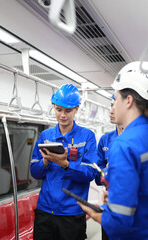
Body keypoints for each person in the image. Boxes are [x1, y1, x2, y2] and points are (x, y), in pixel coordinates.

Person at [78, 62, 148, 240]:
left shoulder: (124, 145)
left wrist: (93, 213)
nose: (113, 105)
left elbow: (118, 223)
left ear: (128, 100)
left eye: (116, 99)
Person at [30, 84, 98, 240]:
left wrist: (65, 164)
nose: (62, 115)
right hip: (45, 211)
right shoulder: (45, 136)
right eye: (58, 109)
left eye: (68, 111)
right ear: (54, 107)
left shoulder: (87, 136)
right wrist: (46, 161)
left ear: (77, 109)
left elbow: (90, 173)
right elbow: (34, 171)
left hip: (72, 214)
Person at [95, 94, 124, 240]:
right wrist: (105, 173)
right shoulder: (105, 140)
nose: (111, 110)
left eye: (114, 105)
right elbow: (97, 177)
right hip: (109, 206)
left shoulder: (142, 139)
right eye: (110, 106)